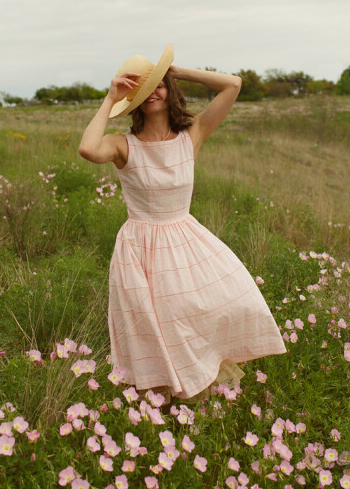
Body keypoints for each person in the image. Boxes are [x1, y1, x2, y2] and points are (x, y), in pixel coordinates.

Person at [79, 44, 287, 408]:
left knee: (193, 319)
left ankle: (193, 405)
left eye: (159, 85)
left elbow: (233, 85)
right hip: (139, 248)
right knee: (153, 330)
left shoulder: (192, 135)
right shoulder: (121, 145)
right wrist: (111, 96)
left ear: (170, 89)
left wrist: (175, 70)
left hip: (186, 243)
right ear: (135, 101)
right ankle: (161, 412)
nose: (154, 92)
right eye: (144, 90)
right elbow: (87, 149)